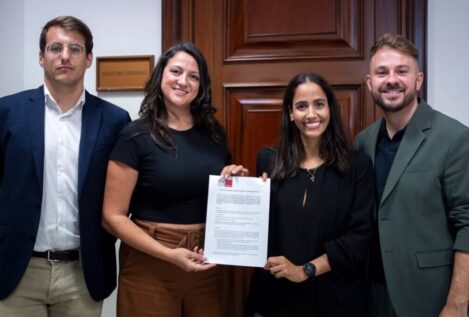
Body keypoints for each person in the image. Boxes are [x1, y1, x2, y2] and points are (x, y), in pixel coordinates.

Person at [102, 41, 248, 317]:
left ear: (201, 86)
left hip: (207, 260)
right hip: (150, 264)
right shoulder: (135, 135)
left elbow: (215, 199)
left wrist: (233, 180)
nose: (183, 81)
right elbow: (112, 217)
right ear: (160, 76)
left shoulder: (214, 135)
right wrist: (168, 254)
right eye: (176, 71)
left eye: (193, 76)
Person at [0, 16, 130, 316]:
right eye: (55, 47)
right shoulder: (7, 113)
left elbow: (122, 193)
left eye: (74, 49)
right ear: (41, 57)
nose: (64, 56)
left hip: (82, 273)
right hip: (18, 270)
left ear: (88, 59)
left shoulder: (114, 120)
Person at [355, 33, 469, 317]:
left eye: (401, 71)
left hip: (431, 298)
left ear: (418, 81)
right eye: (382, 72)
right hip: (371, 296)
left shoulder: (454, 138)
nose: (391, 79)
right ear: (370, 83)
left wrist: (457, 304)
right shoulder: (362, 142)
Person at [245, 72, 374, 316]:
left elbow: (359, 238)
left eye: (319, 104)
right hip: (276, 299)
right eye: (302, 106)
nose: (311, 114)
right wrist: (234, 185)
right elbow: (258, 228)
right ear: (291, 113)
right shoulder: (268, 161)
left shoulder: (357, 166)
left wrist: (305, 270)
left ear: (330, 110)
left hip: (335, 300)